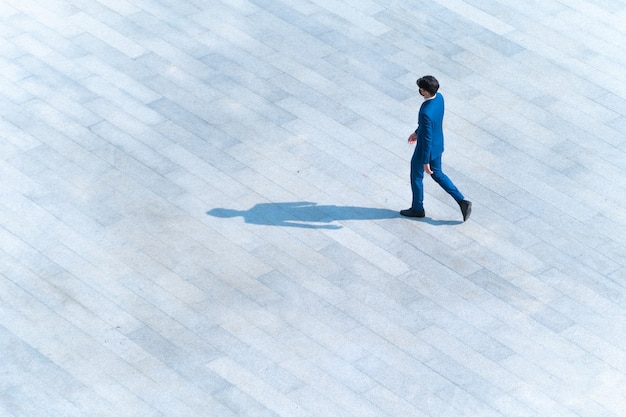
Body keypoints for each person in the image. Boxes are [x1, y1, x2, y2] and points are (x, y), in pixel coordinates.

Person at [400, 75, 472, 221]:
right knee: (438, 174)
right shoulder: (439, 98)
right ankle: (462, 201)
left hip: (425, 150)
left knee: (416, 176)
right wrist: (417, 132)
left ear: (425, 91)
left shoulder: (425, 111)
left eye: (420, 88)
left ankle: (417, 208)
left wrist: (425, 161)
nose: (419, 90)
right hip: (438, 145)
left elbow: (426, 138)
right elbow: (430, 126)